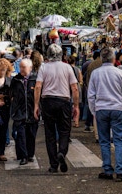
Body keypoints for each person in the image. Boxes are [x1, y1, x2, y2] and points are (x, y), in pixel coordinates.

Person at [88, 47, 122, 182]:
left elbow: (91, 95)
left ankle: (107, 170)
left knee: (104, 141)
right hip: (118, 109)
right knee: (119, 141)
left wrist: (93, 111)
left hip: (101, 109)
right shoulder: (120, 73)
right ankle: (120, 171)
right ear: (114, 59)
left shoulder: (96, 73)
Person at [34, 44, 79, 174]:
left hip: (47, 101)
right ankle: (62, 152)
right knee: (64, 131)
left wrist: (36, 105)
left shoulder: (44, 67)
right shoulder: (67, 67)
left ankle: (53, 165)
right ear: (62, 55)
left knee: (50, 133)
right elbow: (75, 88)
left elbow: (38, 86)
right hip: (63, 101)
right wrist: (76, 106)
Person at [10, 58, 38, 165]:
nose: (21, 69)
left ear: (30, 68)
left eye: (24, 67)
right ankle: (23, 156)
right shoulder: (16, 80)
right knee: (21, 135)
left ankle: (30, 155)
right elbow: (11, 94)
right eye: (20, 67)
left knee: (31, 135)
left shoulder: (35, 79)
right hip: (19, 113)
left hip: (31, 112)